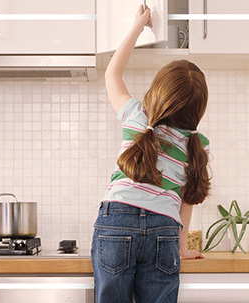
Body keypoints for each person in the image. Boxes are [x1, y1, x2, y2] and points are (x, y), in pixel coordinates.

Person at [92, 5, 210, 302]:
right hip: (164, 230)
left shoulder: (136, 116)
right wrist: (181, 247)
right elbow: (187, 200)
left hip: (116, 221)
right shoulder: (197, 144)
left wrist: (136, 27)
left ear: (158, 92)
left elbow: (112, 73)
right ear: (199, 109)